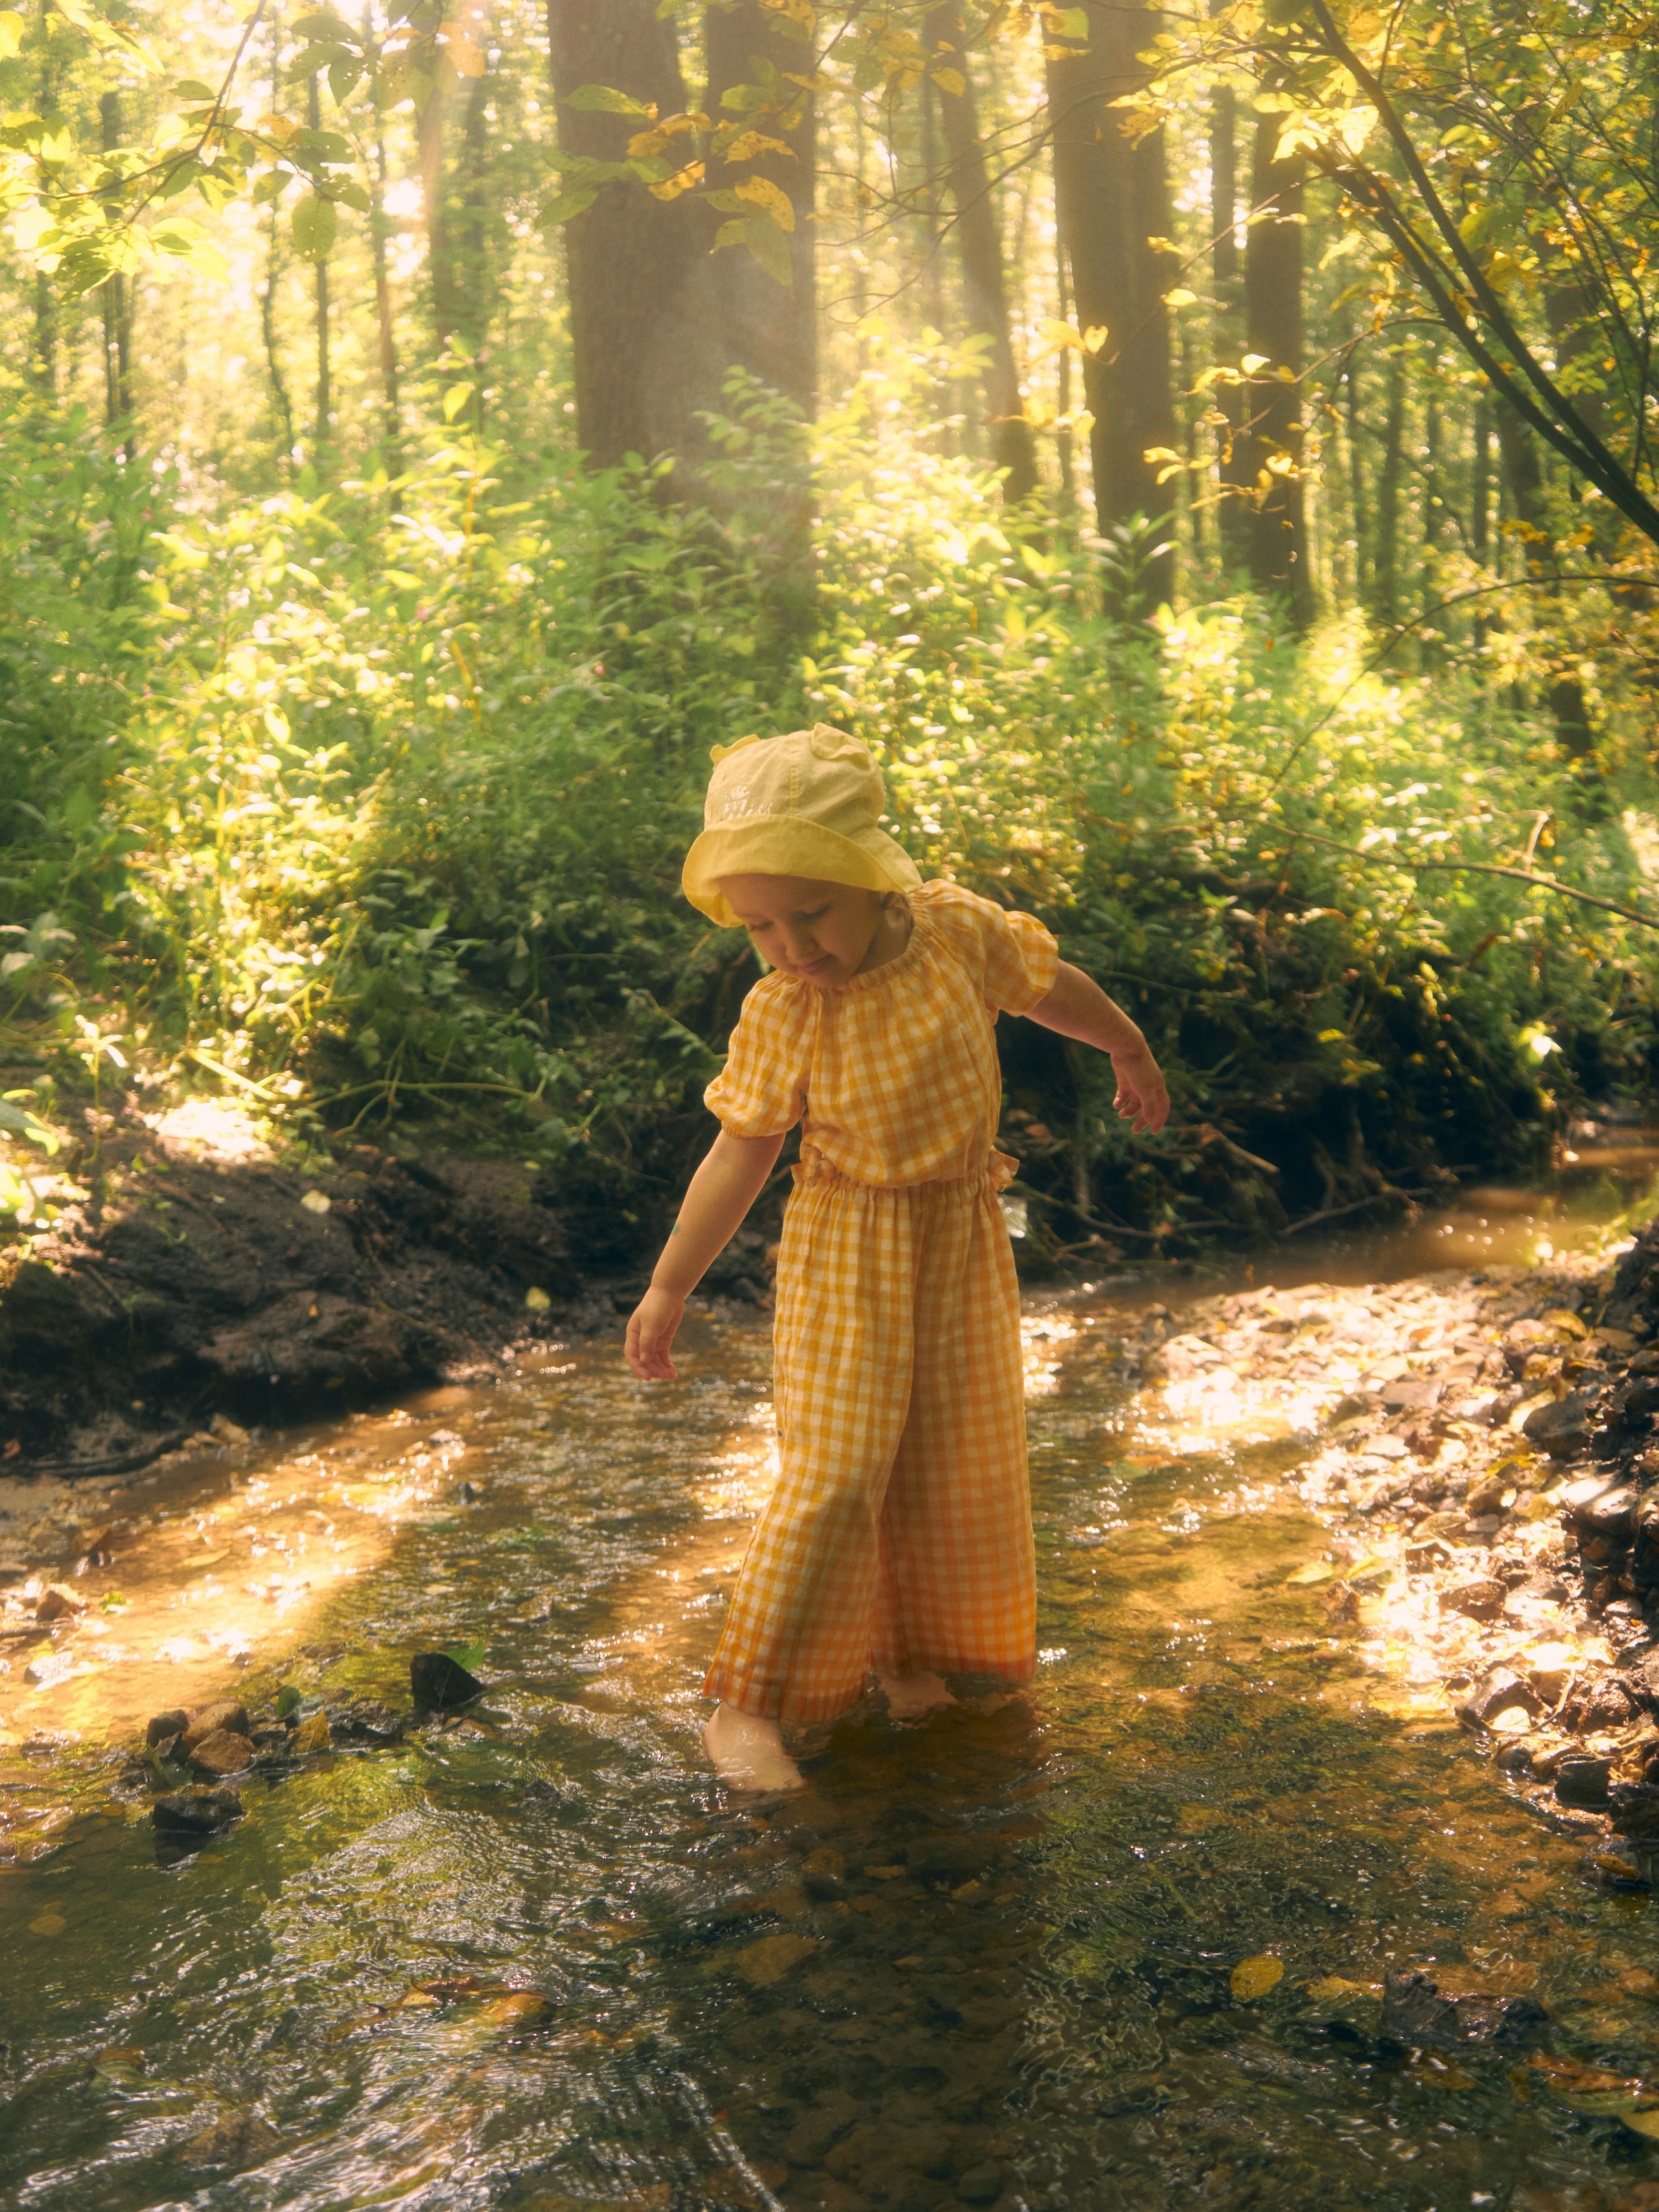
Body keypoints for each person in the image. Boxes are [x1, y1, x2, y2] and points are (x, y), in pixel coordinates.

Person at [624, 725, 1168, 1789]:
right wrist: (669, 1283)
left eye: (810, 912)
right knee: (834, 1473)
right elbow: (740, 1153)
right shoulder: (786, 1008)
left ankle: (910, 1656)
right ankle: (750, 1703)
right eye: (760, 926)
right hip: (847, 1248)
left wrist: (1129, 1046)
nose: (790, 944)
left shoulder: (960, 933)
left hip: (957, 1234)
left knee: (946, 1456)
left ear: (871, 878)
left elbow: (1050, 984)